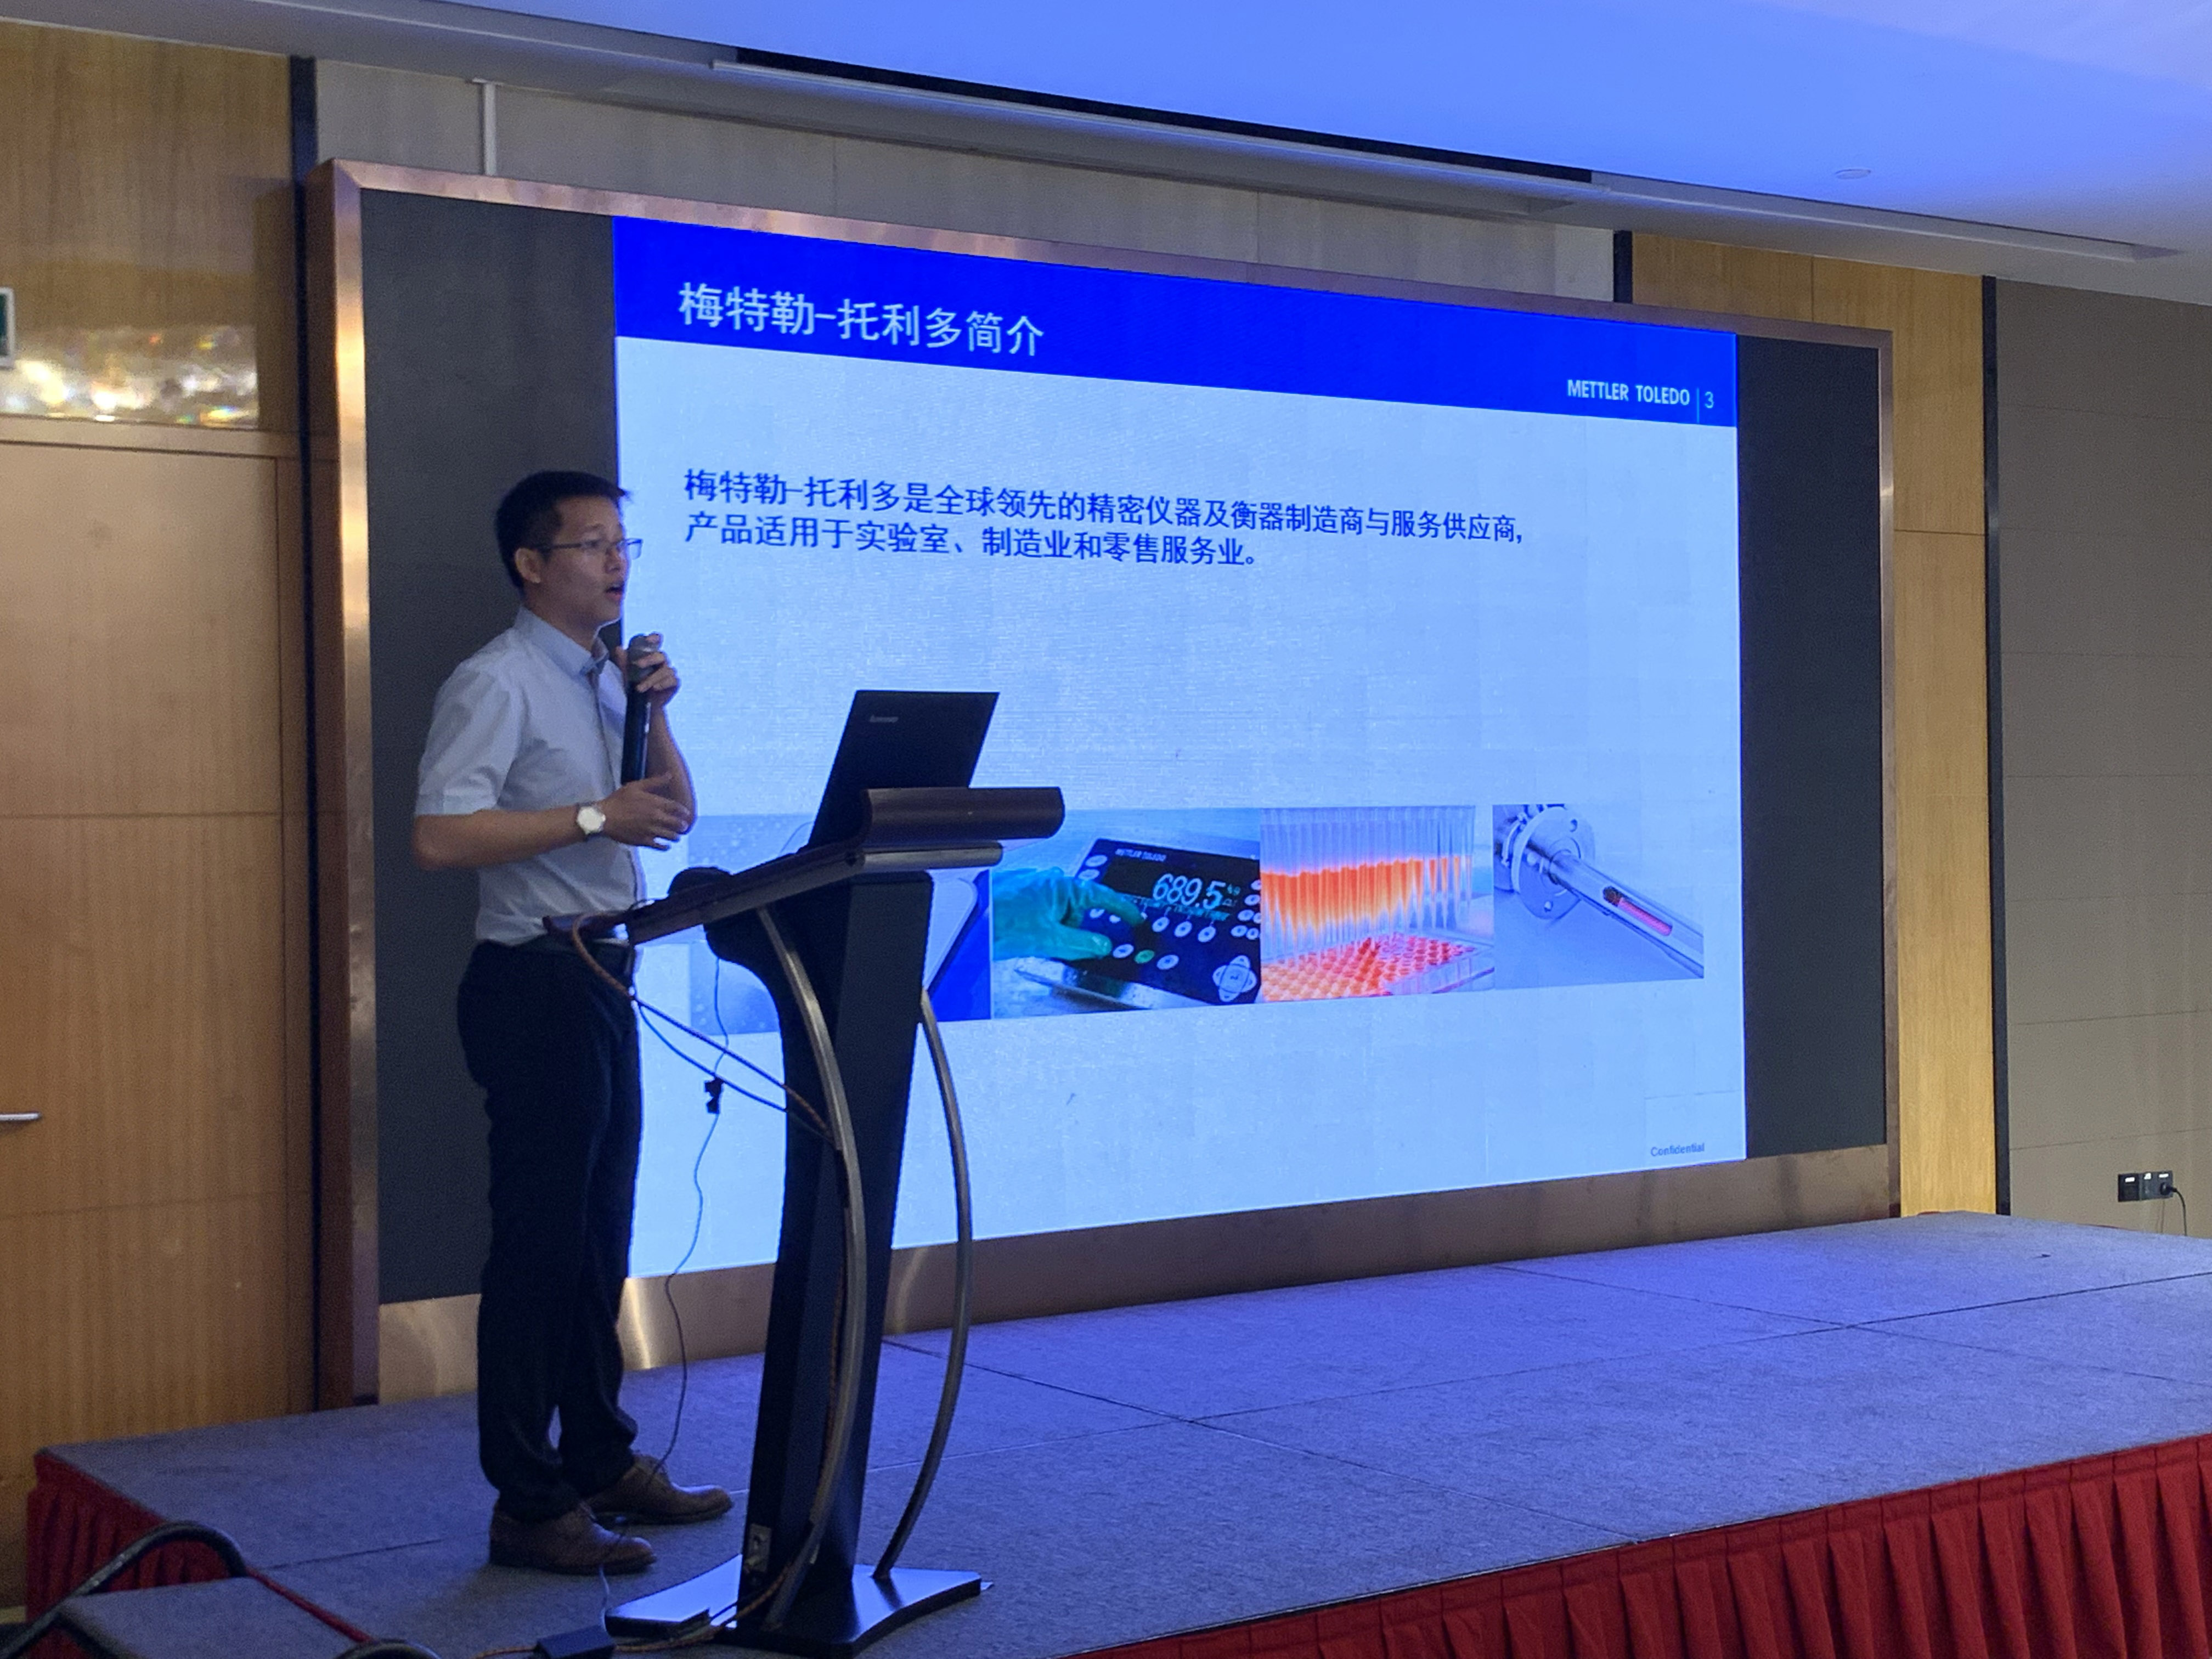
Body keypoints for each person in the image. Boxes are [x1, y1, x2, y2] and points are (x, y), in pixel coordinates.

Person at [413, 470, 731, 1575]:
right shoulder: (495, 681)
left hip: (603, 973)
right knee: (540, 1251)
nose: (616, 560)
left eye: (623, 542)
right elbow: (440, 837)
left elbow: (672, 814)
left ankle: (600, 1457)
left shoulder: (609, 677)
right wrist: (595, 814)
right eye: (592, 543)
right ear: (531, 564)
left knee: (600, 1240)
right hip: (532, 983)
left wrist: (658, 710)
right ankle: (528, 1499)